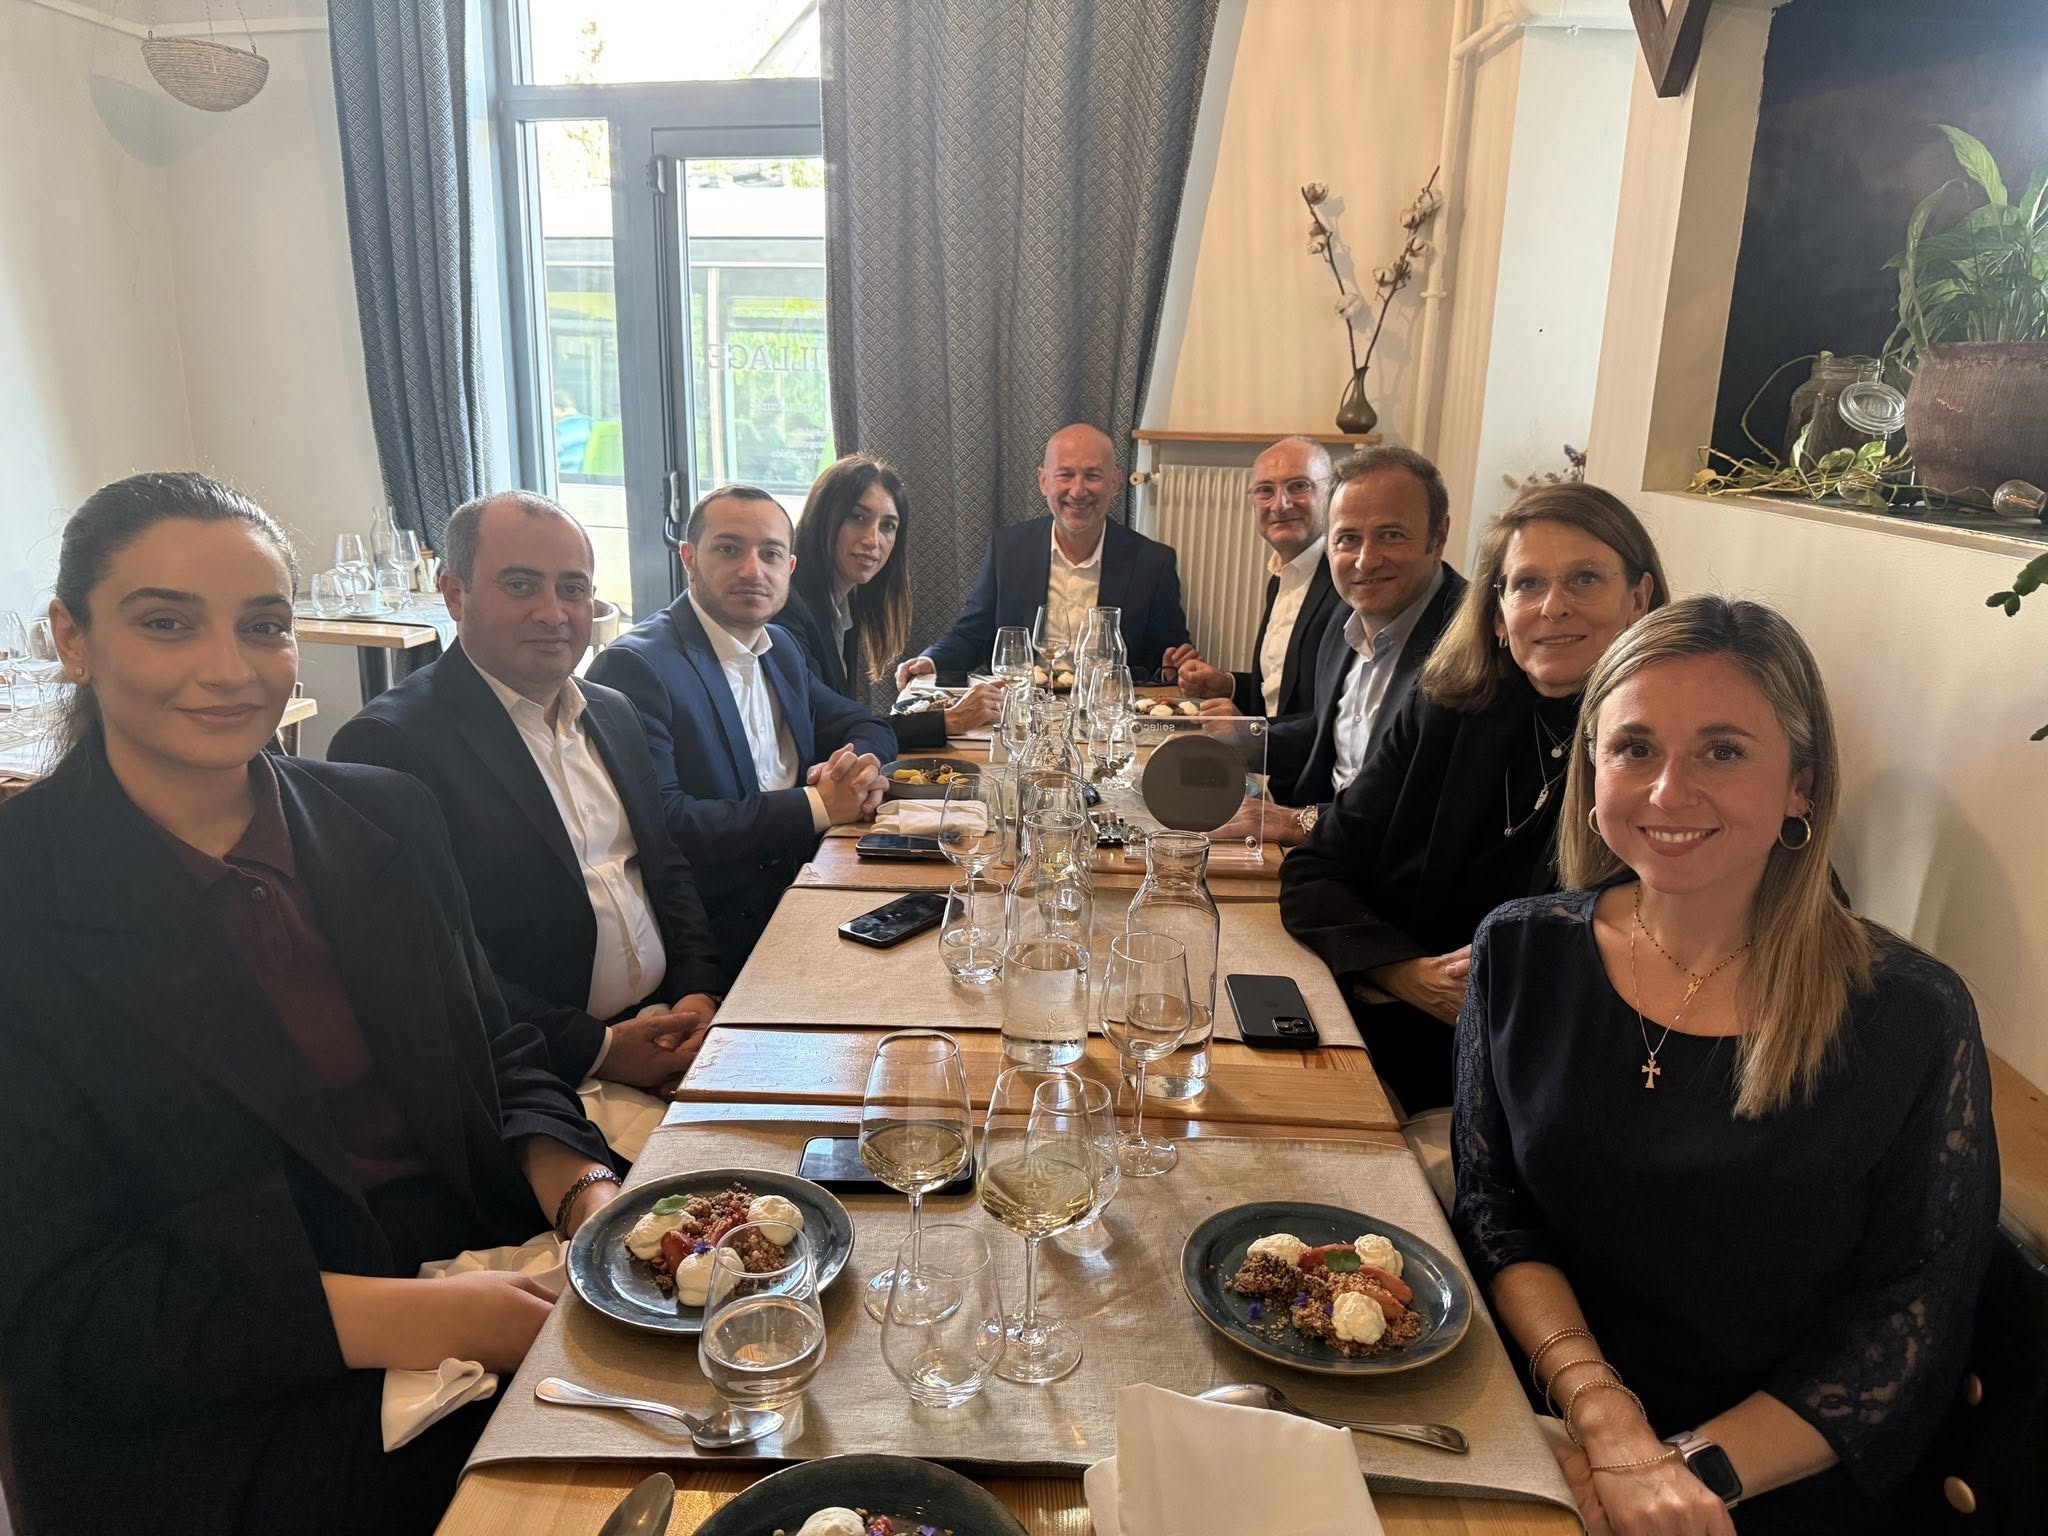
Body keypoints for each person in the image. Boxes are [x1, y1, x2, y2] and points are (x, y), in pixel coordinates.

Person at [0, 472, 619, 1536]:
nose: (229, 668)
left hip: (476, 1275)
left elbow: (499, 1053)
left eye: (263, 625)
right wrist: (434, 1319)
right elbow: (74, 1307)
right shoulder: (24, 898)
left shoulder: (385, 815)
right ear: (73, 639)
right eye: (167, 623)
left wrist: (589, 1204)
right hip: (224, 1405)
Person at [1452, 597, 1999, 1536]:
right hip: (1551, 1425)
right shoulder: (1520, 951)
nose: (1669, 792)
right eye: (1634, 748)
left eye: (1723, 751)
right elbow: (1495, 1211)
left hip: (1768, 1480)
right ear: (1593, 770)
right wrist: (1605, 1420)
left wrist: (1690, 1470)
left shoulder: (1912, 1013)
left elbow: (1908, 1316)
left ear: (1801, 787)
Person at [328, 491, 727, 1110]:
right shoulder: (388, 744)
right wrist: (600, 1048)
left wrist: (698, 992)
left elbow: (665, 866)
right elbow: (428, 964)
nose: (553, 613)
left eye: (573, 588)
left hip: (668, 1029)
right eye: (520, 586)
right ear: (455, 594)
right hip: (539, 1078)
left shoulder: (613, 713)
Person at [1280, 482, 1668, 1113]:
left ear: (1639, 599)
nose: (1553, 607)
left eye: (1585, 579)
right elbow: (1314, 869)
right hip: (1396, 1038)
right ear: (1497, 615)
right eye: (1528, 584)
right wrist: (1406, 975)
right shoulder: (1446, 711)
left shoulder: (1661, 753)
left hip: (1551, 1082)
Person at [588, 484, 894, 965]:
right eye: (729, 550)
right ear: (689, 558)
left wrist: (857, 772)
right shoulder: (638, 666)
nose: (753, 570)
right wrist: (818, 804)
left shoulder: (780, 648)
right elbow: (666, 825)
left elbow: (864, 724)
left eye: (770, 554)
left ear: (789, 568)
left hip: (811, 886)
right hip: (720, 934)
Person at [1214, 446, 1467, 844]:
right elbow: (1326, 733)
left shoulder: (1471, 644)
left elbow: (1429, 808)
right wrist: (1231, 744)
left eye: (1391, 535)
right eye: (1348, 539)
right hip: (1325, 845)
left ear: (1438, 536)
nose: (1365, 561)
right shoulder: (1344, 618)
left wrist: (1296, 823)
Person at [896, 423, 1193, 684]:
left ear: (1115, 482)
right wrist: (932, 660)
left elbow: (1170, 657)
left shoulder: (1153, 563)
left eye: (1092, 476)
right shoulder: (1008, 550)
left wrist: (1176, 668)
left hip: (1105, 713)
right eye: (1065, 475)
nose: (1078, 491)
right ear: (1043, 481)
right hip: (1024, 708)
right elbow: (973, 634)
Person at [778, 453, 1001, 749]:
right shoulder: (787, 608)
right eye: (858, 517)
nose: (873, 540)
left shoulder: (844, 603)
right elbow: (826, 729)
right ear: (822, 517)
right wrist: (949, 720)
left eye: (888, 526)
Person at [1173, 436, 1343, 718]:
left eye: (1298, 486)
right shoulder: (1281, 577)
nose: (1280, 505)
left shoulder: (1344, 584)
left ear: (1332, 493)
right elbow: (1284, 693)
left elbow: (1333, 718)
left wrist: (1250, 731)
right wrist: (1227, 685)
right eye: (1265, 491)